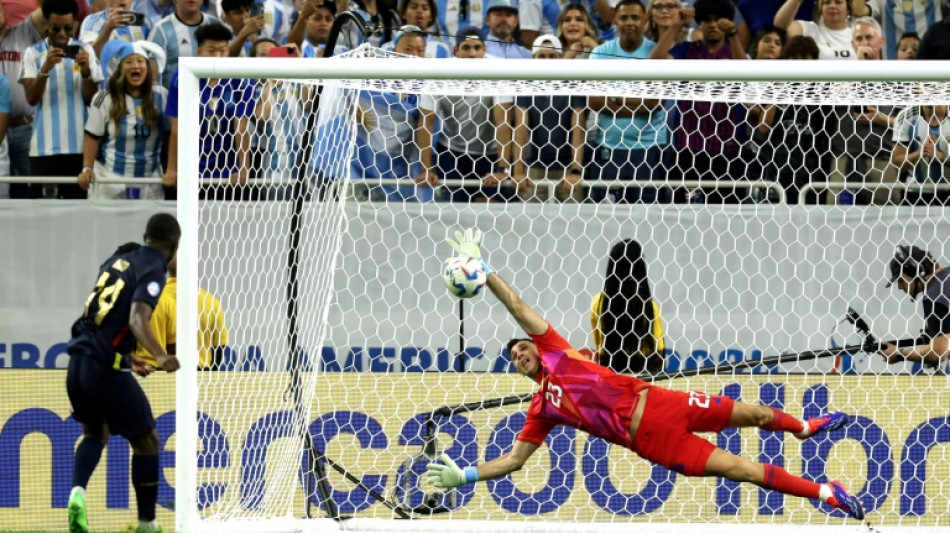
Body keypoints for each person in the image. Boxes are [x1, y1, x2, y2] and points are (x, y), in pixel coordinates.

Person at [425, 228, 865, 522]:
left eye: (523, 346)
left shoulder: (559, 352)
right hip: (653, 441)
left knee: (757, 416)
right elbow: (514, 461)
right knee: (743, 470)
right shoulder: (542, 410)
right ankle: (825, 491)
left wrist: (484, 271)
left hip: (660, 402)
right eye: (515, 356)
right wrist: (465, 476)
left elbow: (518, 307)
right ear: (517, 370)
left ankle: (804, 427)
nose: (521, 353)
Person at [65, 213, 182, 533]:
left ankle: (77, 494)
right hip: (103, 370)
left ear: (146, 236)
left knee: (95, 432)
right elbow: (136, 318)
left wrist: (127, 358)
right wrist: (161, 354)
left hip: (77, 364)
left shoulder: (115, 263)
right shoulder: (154, 267)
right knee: (147, 440)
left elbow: (104, 319)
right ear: (175, 244)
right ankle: (147, 524)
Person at [649, 0, 747, 204]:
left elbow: (745, 74)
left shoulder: (734, 52)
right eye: (707, 20)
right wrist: (676, 25)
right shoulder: (686, 50)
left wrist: (734, 36)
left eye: (718, 21)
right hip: (688, 147)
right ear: (699, 24)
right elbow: (654, 63)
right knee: (683, 217)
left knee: (725, 216)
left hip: (727, 148)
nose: (712, 25)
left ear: (728, 23)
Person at [417, 27, 517, 202]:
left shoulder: (499, 70)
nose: (472, 54)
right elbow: (426, 120)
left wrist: (502, 169)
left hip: (490, 152)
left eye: (477, 48)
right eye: (466, 48)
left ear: (484, 50)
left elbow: (504, 121)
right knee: (454, 209)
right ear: (456, 51)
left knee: (489, 206)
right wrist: (426, 169)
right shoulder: (438, 72)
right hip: (451, 150)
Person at [20, 0, 103, 200]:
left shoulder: (85, 51)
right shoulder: (32, 53)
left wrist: (85, 73)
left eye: (68, 28)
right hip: (42, 149)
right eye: (56, 28)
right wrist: (44, 70)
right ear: (46, 24)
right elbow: (31, 98)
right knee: (39, 213)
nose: (63, 34)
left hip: (78, 148)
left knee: (76, 212)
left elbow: (92, 99)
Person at [589, 0, 669, 204]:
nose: (629, 23)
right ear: (615, 19)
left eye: (635, 17)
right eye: (624, 17)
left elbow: (655, 103)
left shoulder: (657, 53)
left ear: (644, 21)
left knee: (649, 220)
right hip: (609, 146)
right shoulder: (600, 53)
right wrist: (638, 103)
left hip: (649, 148)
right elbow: (596, 101)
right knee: (606, 219)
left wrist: (614, 99)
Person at [164, 24, 255, 200]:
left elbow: (241, 127)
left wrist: (244, 167)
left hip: (228, 173)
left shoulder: (241, 79)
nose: (218, 56)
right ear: (199, 51)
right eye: (211, 51)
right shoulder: (182, 77)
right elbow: (176, 128)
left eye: (223, 50)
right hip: (191, 171)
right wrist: (172, 168)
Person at [78, 41, 168, 200]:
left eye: (140, 61)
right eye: (129, 62)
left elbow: (171, 135)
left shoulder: (162, 96)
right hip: (110, 180)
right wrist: (87, 168)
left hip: (150, 180)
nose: (136, 66)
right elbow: (92, 137)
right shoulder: (104, 98)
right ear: (119, 69)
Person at [354, 27, 434, 202]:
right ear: (394, 50)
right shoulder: (374, 77)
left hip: (405, 158)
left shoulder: (429, 83)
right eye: (408, 49)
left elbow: (429, 122)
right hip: (365, 155)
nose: (414, 55)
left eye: (420, 50)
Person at [511, 34, 586, 202]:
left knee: (572, 222)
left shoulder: (573, 83)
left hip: (567, 167)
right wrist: (518, 171)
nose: (547, 60)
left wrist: (575, 171)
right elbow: (521, 128)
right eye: (542, 56)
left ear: (560, 58)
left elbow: (578, 128)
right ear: (533, 59)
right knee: (533, 223)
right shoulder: (525, 85)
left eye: (552, 56)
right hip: (535, 167)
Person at [134, 254, 230, 370]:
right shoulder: (211, 302)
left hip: (155, 371)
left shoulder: (152, 298)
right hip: (198, 373)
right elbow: (219, 347)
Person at [590, 238, 665, 374]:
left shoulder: (599, 302)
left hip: (611, 371)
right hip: (644, 373)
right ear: (640, 268)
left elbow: (598, 343)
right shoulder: (649, 307)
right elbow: (659, 349)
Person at [1, 2, 52, 199]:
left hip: (25, 127)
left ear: (5, 11)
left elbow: (49, 7)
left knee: (31, 192)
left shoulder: (23, 32)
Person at [880, 245, 949, 371]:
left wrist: (899, 354)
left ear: (914, 270)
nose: (900, 287)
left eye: (901, 280)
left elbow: (939, 351)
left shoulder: (934, 295)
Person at [148, 0, 224, 90]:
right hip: (176, 99)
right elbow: (153, 80)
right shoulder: (160, 29)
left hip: (212, 98)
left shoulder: (215, 24)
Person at [890, 103, 950, 205]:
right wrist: (921, 153)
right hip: (915, 192)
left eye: (935, 86)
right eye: (926, 86)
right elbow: (897, 163)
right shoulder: (906, 116)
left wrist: (940, 156)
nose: (930, 90)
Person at [851, 0, 944, 60]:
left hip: (931, 73)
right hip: (892, 76)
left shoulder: (936, 1)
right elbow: (858, 10)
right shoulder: (883, 2)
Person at [773, 0, 860, 60]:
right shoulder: (809, 29)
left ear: (848, 9)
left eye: (838, 2)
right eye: (827, 2)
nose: (832, 6)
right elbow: (780, 26)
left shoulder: (859, 33)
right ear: (821, 8)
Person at [79, 0, 152, 58]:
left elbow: (153, 57)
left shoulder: (144, 22)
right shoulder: (92, 22)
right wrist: (108, 29)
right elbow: (90, 57)